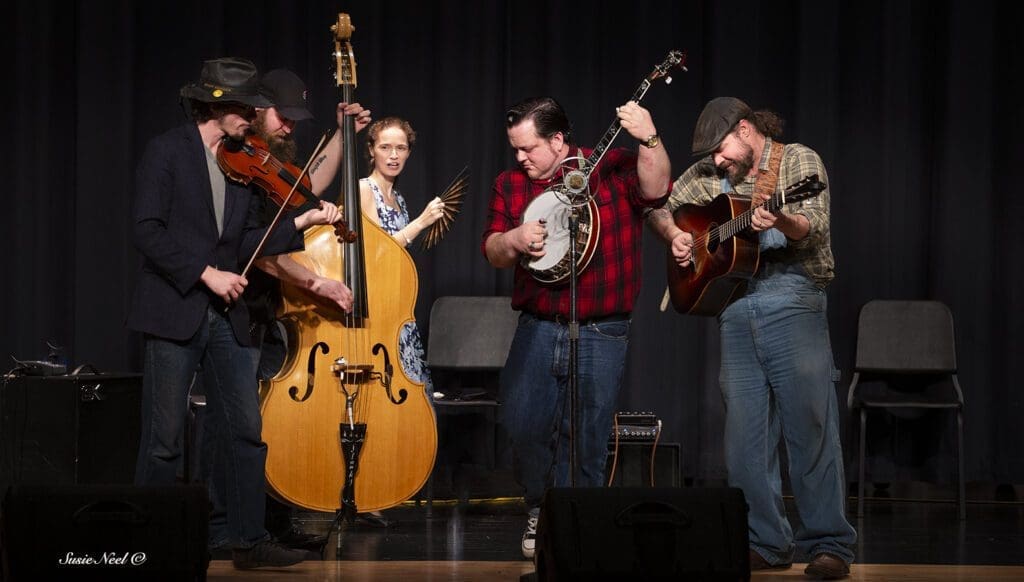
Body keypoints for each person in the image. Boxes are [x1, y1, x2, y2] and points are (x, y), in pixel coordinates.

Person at [128, 57, 344, 570]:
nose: (253, 116)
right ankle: (151, 545)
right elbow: (146, 230)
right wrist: (205, 272)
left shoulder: (242, 163)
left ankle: (247, 542)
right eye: (245, 107)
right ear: (217, 107)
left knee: (244, 431)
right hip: (175, 308)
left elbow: (250, 241)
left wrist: (303, 219)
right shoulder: (167, 152)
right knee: (163, 441)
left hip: (228, 316)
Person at [646, 96, 856, 579]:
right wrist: (675, 235)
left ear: (745, 129)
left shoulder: (797, 160)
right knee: (745, 438)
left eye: (721, 149)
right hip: (735, 305)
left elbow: (813, 227)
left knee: (810, 427)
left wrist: (779, 218)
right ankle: (765, 540)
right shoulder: (707, 173)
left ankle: (829, 544)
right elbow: (657, 208)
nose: (716, 161)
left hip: (793, 298)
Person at [482, 96, 671, 558]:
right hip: (538, 324)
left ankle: (578, 519)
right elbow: (492, 249)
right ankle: (539, 508)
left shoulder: (610, 166)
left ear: (558, 140)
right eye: (515, 149)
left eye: (528, 148)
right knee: (524, 423)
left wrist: (648, 136)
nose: (520, 158)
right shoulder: (510, 184)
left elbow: (657, 188)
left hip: (603, 328)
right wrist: (513, 239)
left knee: (585, 432)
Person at [358, 117, 446, 396]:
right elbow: (374, 254)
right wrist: (420, 222)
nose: (393, 155)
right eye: (385, 147)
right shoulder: (363, 190)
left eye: (401, 148)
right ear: (372, 150)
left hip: (398, 306)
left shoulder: (398, 197)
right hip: (376, 307)